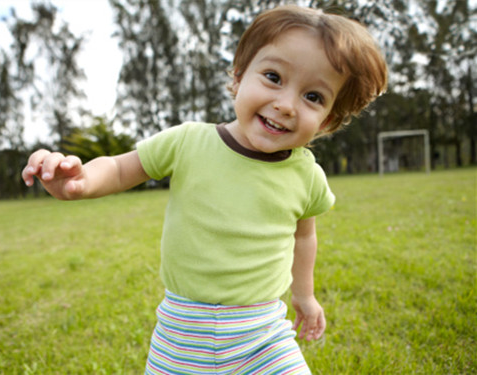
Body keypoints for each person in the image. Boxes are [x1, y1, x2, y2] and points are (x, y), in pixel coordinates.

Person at [22, 5, 387, 374]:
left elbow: (304, 237)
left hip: (264, 339)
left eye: (313, 96)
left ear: (327, 119)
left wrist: (304, 295)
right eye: (274, 76)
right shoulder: (187, 142)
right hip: (180, 338)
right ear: (240, 75)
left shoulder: (306, 175)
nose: (286, 104)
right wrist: (81, 180)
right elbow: (119, 168)